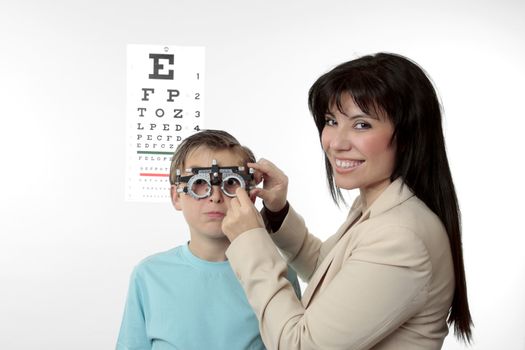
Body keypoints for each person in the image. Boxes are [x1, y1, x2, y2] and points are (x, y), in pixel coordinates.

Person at [221, 53, 473, 349]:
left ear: (407, 136)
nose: (336, 143)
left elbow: (299, 345)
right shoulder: (381, 206)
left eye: (361, 125)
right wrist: (277, 212)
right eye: (331, 121)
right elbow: (327, 271)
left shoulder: (399, 237)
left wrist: (250, 240)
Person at [116, 130, 301, 350]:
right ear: (177, 196)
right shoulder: (149, 275)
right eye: (199, 184)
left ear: (251, 195)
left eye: (231, 183)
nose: (215, 196)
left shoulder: (277, 272)